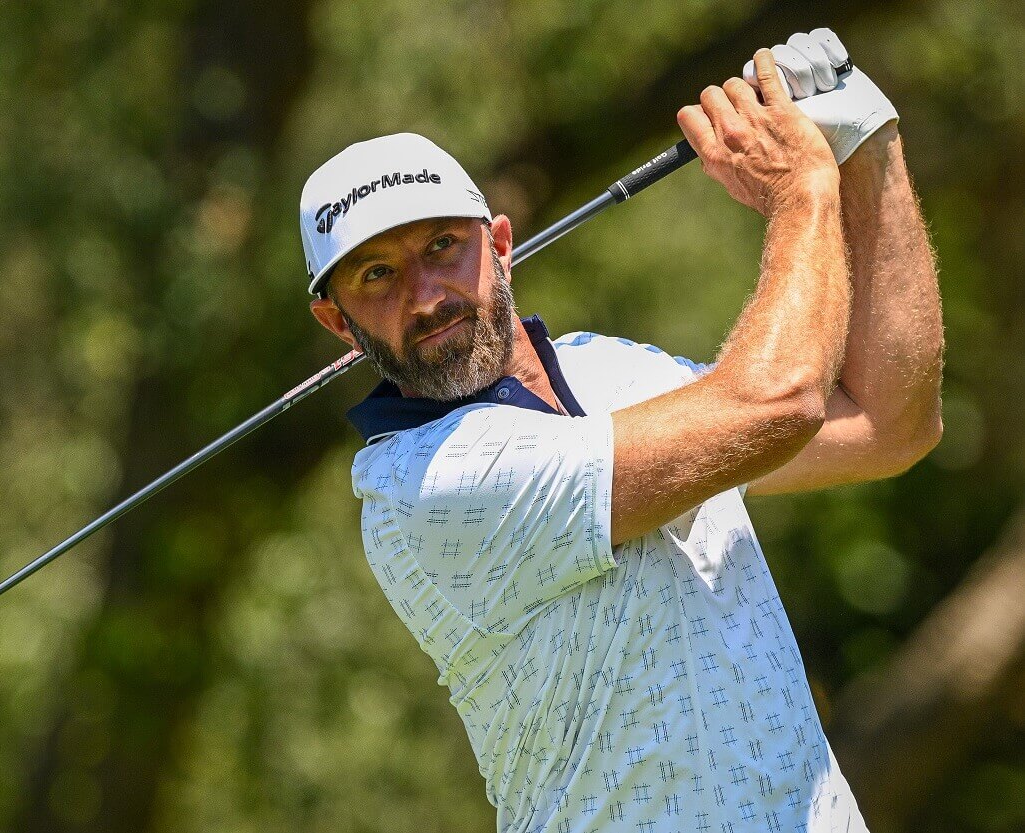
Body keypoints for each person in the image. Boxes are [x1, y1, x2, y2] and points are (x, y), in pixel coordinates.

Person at [299, 28, 943, 833]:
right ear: (337, 319)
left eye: (441, 246)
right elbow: (777, 404)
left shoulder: (610, 367)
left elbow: (890, 424)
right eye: (378, 274)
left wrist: (866, 148)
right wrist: (803, 191)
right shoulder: (422, 489)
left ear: (498, 245)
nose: (426, 294)